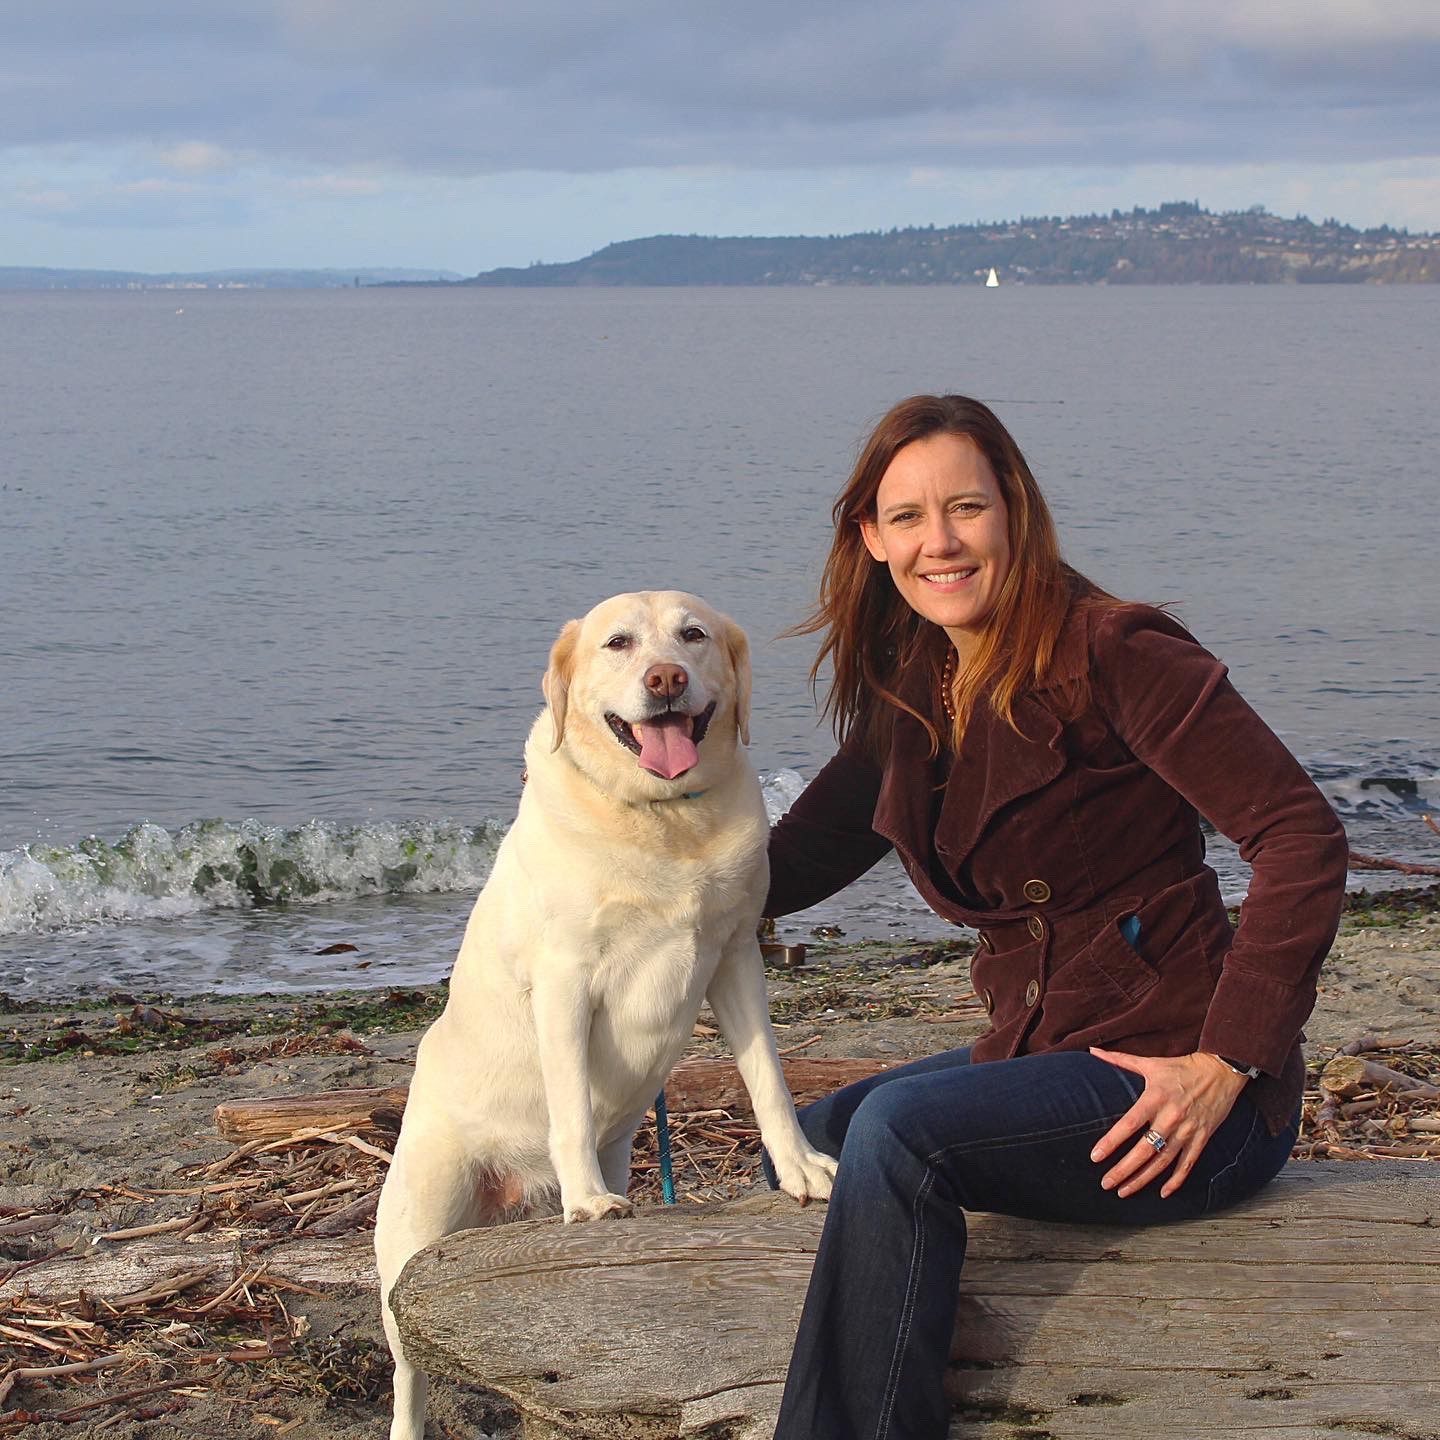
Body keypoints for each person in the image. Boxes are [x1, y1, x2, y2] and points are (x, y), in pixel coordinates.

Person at [764, 394, 1348, 1440]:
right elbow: (794, 858)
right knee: (806, 1139)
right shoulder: (916, 682)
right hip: (1041, 1044)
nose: (938, 542)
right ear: (870, 537)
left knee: (897, 1134)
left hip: (1176, 1088)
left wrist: (1230, 1062)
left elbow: (1301, 838)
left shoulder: (1117, 650)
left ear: (1015, 511)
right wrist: (631, 895)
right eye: (907, 518)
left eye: (966, 509)